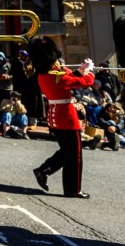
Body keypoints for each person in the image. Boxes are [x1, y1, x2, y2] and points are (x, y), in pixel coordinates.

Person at [28, 36, 95, 199]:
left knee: (67, 151)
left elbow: (69, 76)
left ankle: (44, 170)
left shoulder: (45, 75)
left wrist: (81, 69)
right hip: (66, 116)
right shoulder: (55, 76)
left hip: (55, 116)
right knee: (75, 154)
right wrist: (89, 71)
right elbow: (83, 82)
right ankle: (73, 189)